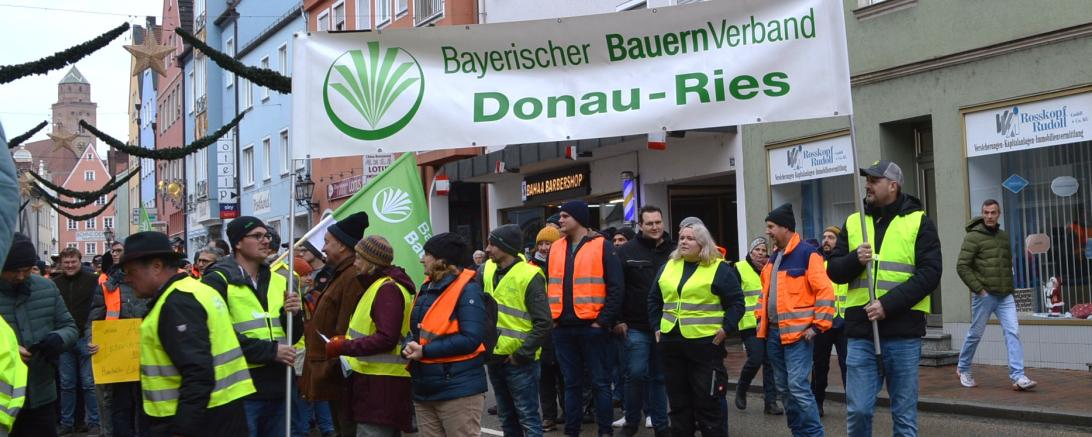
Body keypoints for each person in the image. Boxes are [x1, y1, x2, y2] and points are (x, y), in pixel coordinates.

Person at [827, 161, 942, 437]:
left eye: (874, 180)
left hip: (902, 334)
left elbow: (930, 273)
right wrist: (855, 259)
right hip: (861, 334)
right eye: (867, 179)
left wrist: (887, 305)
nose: (867, 184)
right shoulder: (855, 222)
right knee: (859, 411)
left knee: (903, 417)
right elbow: (834, 271)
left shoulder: (918, 222)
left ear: (893, 186)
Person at [121, 231, 255, 437]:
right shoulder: (196, 290)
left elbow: (197, 372)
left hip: (194, 419)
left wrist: (182, 430)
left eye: (131, 271)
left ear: (156, 266)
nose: (127, 279)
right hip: (220, 412)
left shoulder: (176, 303)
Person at [202, 217, 301, 437]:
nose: (266, 241)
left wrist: (293, 315)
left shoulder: (279, 280)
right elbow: (217, 335)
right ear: (238, 243)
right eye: (257, 236)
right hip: (241, 387)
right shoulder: (218, 280)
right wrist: (272, 351)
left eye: (266, 235)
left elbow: (293, 335)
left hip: (280, 384)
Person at [648, 221, 744, 437]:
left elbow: (737, 303)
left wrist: (725, 330)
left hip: (705, 346)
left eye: (690, 238)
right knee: (679, 405)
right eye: (681, 237)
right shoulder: (668, 266)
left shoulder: (719, 268)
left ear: (702, 243)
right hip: (672, 344)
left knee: (708, 404)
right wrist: (656, 327)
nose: (683, 241)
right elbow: (653, 300)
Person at [324, 235, 416, 436]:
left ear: (371, 261)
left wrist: (343, 346)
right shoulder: (379, 286)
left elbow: (386, 338)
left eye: (358, 258)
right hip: (375, 383)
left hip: (381, 386)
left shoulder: (387, 289)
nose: (355, 263)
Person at [547, 200, 624, 437]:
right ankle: (571, 431)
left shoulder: (602, 246)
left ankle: (604, 431)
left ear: (579, 219)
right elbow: (551, 285)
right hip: (562, 327)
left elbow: (616, 287)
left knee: (600, 383)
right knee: (571, 384)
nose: (560, 220)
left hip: (592, 327)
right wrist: (554, 320)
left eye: (565, 216)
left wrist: (601, 322)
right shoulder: (556, 247)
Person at [758, 204, 834, 437]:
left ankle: (813, 434)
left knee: (798, 388)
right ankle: (799, 432)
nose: (768, 232)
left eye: (771, 227)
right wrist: (761, 320)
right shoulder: (774, 257)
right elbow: (765, 294)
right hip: (774, 335)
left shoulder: (807, 254)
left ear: (785, 227)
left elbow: (825, 291)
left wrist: (817, 326)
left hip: (799, 335)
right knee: (784, 388)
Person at [403, 233, 488, 436]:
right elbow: (417, 331)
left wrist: (425, 351)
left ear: (441, 260)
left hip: (458, 390)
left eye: (427, 254)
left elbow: (471, 339)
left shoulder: (468, 290)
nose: (422, 259)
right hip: (425, 388)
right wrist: (408, 345)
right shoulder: (427, 287)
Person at [301, 212, 370, 435]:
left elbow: (344, 327)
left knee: (346, 429)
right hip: (331, 372)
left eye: (327, 242)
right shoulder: (340, 274)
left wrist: (330, 365)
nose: (322, 248)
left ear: (341, 246)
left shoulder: (350, 277)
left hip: (339, 374)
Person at [478, 225, 551, 437]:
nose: (487, 249)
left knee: (528, 418)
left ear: (506, 247)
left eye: (492, 244)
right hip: (495, 358)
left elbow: (544, 323)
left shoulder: (530, 275)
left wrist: (522, 354)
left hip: (519, 361)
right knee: (507, 418)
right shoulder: (487, 269)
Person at [956, 199, 1036, 390]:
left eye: (993, 212)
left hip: (1005, 295)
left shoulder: (1003, 236)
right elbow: (962, 266)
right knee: (976, 333)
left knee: (1013, 332)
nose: (989, 216)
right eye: (986, 212)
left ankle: (1018, 376)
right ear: (982, 214)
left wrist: (1010, 287)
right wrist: (979, 289)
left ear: (998, 214)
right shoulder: (973, 237)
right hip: (985, 295)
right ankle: (963, 368)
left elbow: (1007, 264)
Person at [2, 234, 77, 437]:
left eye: (25, 271)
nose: (20, 276)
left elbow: (69, 326)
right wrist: (9, 351)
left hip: (41, 394)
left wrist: (59, 338)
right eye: (13, 272)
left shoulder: (46, 287)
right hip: (4, 403)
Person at [614, 206, 672, 436]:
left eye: (658, 222)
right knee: (636, 374)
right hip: (636, 325)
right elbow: (617, 287)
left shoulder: (674, 250)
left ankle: (661, 425)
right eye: (650, 223)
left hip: (665, 325)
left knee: (659, 377)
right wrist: (618, 319)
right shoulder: (627, 251)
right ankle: (631, 421)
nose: (655, 227)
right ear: (641, 225)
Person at [88, 242, 152, 436]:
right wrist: (91, 338)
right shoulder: (107, 283)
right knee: (119, 404)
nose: (114, 254)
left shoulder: (146, 280)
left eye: (118, 251)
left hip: (145, 351)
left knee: (143, 403)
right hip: (117, 354)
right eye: (112, 251)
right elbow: (95, 316)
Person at [51, 247, 101, 436]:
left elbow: (98, 308)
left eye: (73, 262)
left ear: (80, 262)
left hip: (86, 337)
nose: (70, 265)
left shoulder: (93, 281)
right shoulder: (55, 284)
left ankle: (94, 422)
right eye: (66, 262)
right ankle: (67, 422)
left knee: (89, 383)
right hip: (64, 339)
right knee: (66, 384)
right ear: (61, 264)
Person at [732, 236, 783, 416]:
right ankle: (742, 387)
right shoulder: (739, 268)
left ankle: (771, 402)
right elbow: (733, 297)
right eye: (757, 250)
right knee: (756, 358)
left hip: (768, 322)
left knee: (770, 362)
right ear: (750, 252)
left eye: (763, 250)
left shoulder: (771, 268)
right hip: (749, 323)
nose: (761, 253)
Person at [812, 226, 848, 417]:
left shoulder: (844, 262)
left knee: (848, 365)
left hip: (844, 322)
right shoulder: (816, 263)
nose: (826, 240)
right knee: (819, 366)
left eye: (831, 237)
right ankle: (817, 402)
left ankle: (853, 404)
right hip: (822, 323)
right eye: (824, 237)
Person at [529, 225, 563, 431]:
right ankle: (549, 416)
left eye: (548, 243)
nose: (543, 248)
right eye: (540, 243)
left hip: (561, 325)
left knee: (565, 375)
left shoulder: (563, 264)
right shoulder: (531, 267)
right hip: (542, 326)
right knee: (545, 376)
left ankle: (569, 412)